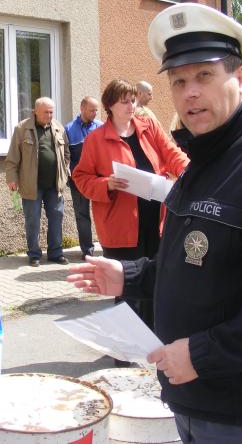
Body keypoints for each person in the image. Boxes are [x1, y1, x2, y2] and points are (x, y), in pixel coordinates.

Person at [68, 2, 242, 444]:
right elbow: (191, 262)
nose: (190, 92)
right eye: (178, 81)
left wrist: (201, 353)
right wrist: (128, 276)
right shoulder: (202, 165)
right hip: (193, 398)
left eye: (204, 76)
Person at [73, 79, 188, 338]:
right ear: (110, 106)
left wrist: (190, 172)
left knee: (154, 284)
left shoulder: (148, 127)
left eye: (133, 100)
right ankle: (124, 347)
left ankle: (151, 341)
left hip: (156, 223)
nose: (131, 105)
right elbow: (81, 179)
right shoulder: (96, 139)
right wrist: (107, 184)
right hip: (120, 228)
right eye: (124, 101)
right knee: (125, 289)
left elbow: (172, 154)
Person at [5, 97, 71, 266]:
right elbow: (12, 158)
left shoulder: (58, 128)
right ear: (35, 112)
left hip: (54, 185)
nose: (49, 115)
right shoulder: (22, 129)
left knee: (57, 217)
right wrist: (12, 178)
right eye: (46, 112)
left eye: (51, 112)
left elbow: (66, 154)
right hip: (30, 185)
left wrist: (65, 172)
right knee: (32, 220)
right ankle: (34, 254)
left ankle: (56, 253)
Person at [64, 96, 103, 258]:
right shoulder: (69, 129)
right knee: (82, 215)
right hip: (79, 181)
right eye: (91, 110)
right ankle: (87, 250)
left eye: (96, 110)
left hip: (99, 180)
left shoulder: (101, 127)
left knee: (102, 213)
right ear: (82, 109)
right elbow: (67, 156)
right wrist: (72, 175)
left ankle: (106, 246)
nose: (95, 113)